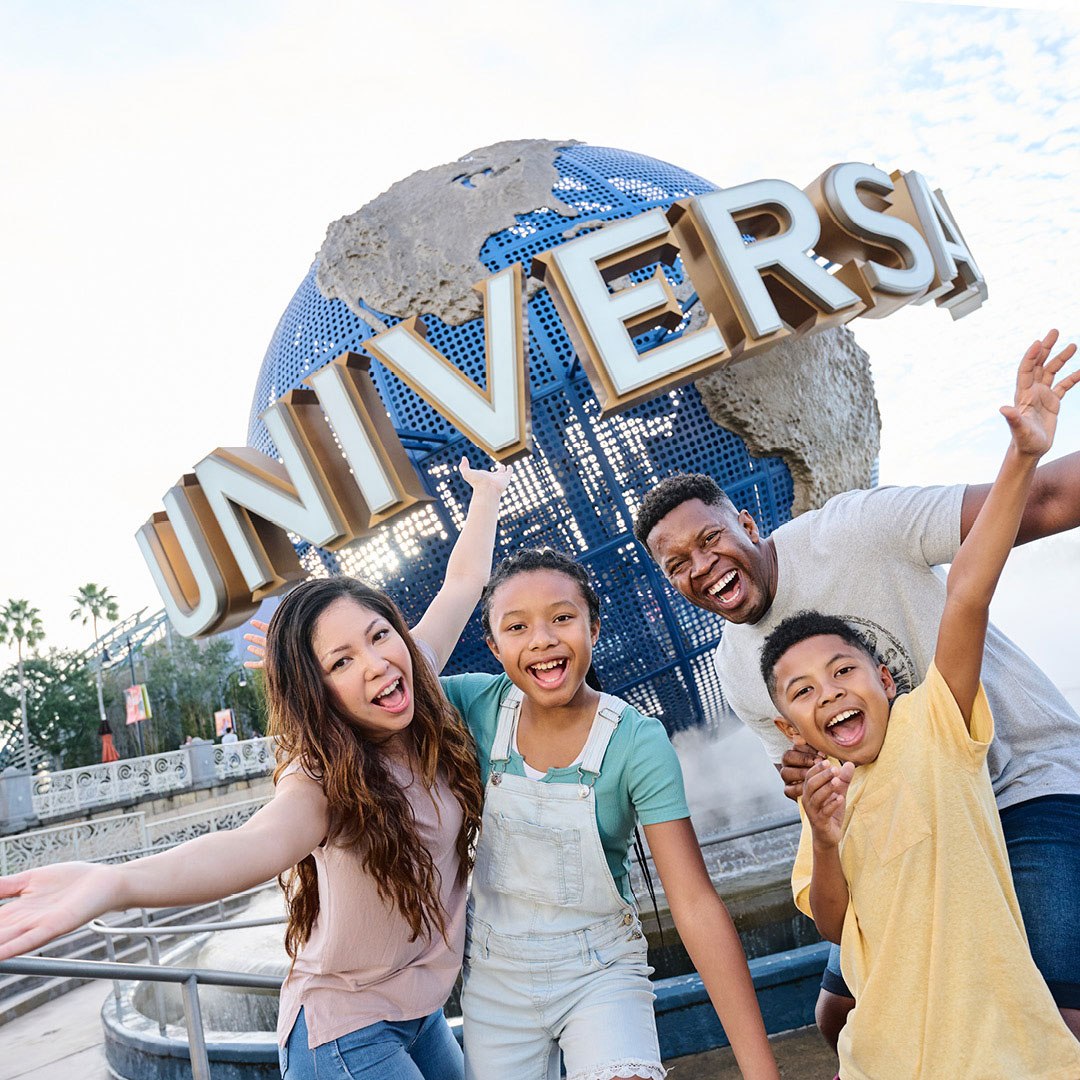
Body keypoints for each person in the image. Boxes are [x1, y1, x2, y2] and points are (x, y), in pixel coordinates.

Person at [634, 329, 1080, 1044]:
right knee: (839, 1013)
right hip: (916, 815)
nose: (700, 564)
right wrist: (809, 781)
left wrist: (1027, 446)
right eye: (676, 563)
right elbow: (830, 777)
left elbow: (1038, 505)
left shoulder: (856, 530)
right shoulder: (736, 670)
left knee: (1056, 1015)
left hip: (1020, 779)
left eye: (710, 539)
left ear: (747, 523)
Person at [0, 458, 512, 1080]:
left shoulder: (415, 678)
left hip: (418, 1009)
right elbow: (252, 843)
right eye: (341, 661)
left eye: (380, 636)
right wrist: (116, 882)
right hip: (347, 1031)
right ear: (316, 691)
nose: (376, 663)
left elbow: (461, 584)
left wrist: (486, 494)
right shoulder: (323, 776)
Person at [756, 339, 1080, 1078]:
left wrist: (1023, 455)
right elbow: (837, 922)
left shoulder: (936, 729)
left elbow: (967, 587)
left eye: (843, 670)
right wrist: (827, 836)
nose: (829, 691)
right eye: (803, 691)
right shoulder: (825, 804)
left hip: (1008, 1054)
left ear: (888, 681)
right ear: (789, 727)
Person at [440, 546, 780, 1080]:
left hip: (600, 970)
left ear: (593, 628)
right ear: (493, 647)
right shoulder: (471, 706)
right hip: (493, 977)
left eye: (561, 618)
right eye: (517, 627)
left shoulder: (636, 741)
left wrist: (763, 1074)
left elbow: (693, 903)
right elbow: (387, 681)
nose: (543, 640)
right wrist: (305, 670)